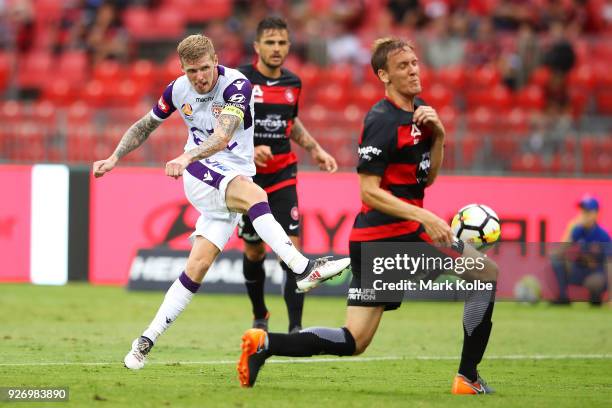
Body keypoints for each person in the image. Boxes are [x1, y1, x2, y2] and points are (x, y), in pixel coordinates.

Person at [236, 37, 500, 395]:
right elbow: (368, 191)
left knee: (354, 340)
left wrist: (439, 136)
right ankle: (468, 377)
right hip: (393, 235)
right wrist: (425, 217)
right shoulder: (381, 119)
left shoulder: (420, 114)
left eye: (414, 63)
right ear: (384, 76)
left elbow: (429, 177)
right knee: (484, 273)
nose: (412, 70)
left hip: (379, 238)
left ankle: (265, 344)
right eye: (403, 66)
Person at [91, 34, 351, 370]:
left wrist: (185, 155)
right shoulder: (176, 90)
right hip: (202, 175)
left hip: (226, 175)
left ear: (215, 61)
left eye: (203, 68)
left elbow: (223, 137)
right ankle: (303, 267)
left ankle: (145, 341)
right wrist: (114, 157)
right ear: (182, 69)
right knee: (256, 195)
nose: (198, 77)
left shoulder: (236, 86)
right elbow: (145, 125)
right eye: (190, 71)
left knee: (196, 268)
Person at [237, 17, 339, 333]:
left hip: (282, 173)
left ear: (289, 46)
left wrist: (317, 150)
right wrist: (250, 148)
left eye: (282, 42)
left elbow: (290, 123)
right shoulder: (239, 80)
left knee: (291, 251)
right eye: (270, 42)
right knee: (254, 250)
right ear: (257, 46)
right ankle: (260, 314)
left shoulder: (293, 83)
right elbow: (222, 126)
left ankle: (296, 329)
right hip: (248, 178)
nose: (276, 48)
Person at [551, 196, 611, 305]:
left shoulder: (603, 235)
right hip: (579, 270)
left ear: (595, 214)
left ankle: (596, 297)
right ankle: (563, 297)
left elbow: (609, 263)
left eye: (587, 212)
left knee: (594, 282)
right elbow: (560, 252)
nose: (583, 214)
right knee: (556, 258)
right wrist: (570, 229)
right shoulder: (577, 230)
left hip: (597, 273)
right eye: (582, 211)